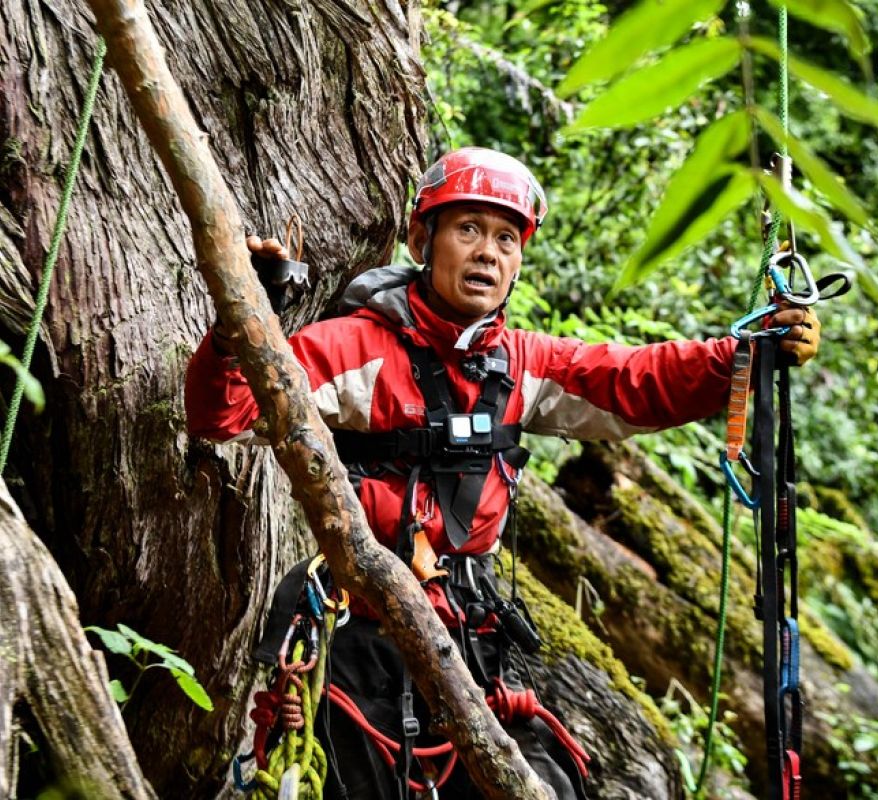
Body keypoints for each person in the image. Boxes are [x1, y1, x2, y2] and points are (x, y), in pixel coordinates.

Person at [186, 147, 820, 799]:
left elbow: (633, 381)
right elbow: (225, 414)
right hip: (356, 627)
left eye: (506, 238)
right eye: (468, 230)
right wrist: (240, 328)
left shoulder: (521, 365)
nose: (488, 253)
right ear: (421, 240)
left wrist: (746, 355)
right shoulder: (353, 348)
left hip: (467, 625)